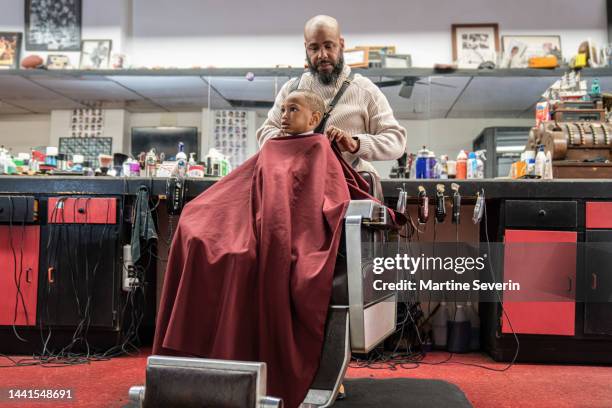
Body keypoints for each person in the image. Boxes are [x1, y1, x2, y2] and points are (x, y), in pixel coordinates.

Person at [257, 15, 407, 175]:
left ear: (341, 45)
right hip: (298, 188)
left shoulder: (365, 91)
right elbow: (265, 132)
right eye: (314, 48)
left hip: (348, 191)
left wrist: (355, 144)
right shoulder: (291, 89)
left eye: (329, 46)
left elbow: (396, 142)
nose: (322, 55)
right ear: (306, 48)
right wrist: (288, 139)